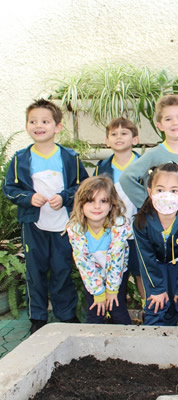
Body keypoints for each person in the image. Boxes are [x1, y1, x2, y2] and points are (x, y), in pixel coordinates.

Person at [3, 99, 88, 334]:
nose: (38, 126)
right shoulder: (21, 159)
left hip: (63, 224)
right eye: (33, 121)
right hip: (33, 224)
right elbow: (9, 189)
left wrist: (64, 197)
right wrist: (28, 198)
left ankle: (66, 314)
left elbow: (83, 186)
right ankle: (38, 317)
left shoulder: (70, 157)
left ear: (57, 126)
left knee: (62, 268)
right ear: (27, 125)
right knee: (35, 270)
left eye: (44, 121)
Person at [133, 162, 178, 326]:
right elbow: (146, 259)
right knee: (157, 306)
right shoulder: (141, 222)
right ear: (150, 192)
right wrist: (156, 288)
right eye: (160, 190)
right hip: (156, 271)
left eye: (174, 190)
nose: (166, 195)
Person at [119, 94, 178, 210]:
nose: (175, 122)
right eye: (168, 119)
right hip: (159, 221)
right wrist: (148, 205)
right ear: (160, 125)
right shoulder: (153, 155)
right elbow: (126, 178)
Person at [66, 176, 132, 325]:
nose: (97, 206)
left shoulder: (119, 226)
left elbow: (117, 260)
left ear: (111, 205)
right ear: (81, 204)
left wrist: (112, 290)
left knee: (116, 308)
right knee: (96, 310)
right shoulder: (75, 230)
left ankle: (128, 343)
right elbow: (84, 263)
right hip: (92, 275)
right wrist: (98, 292)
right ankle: (92, 345)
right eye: (90, 201)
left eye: (103, 201)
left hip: (117, 272)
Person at [94, 117, 144, 307]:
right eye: (113, 134)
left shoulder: (145, 165)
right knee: (115, 273)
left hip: (140, 230)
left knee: (141, 272)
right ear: (107, 141)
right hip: (112, 232)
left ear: (135, 139)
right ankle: (116, 311)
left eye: (124, 133)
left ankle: (150, 311)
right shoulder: (102, 167)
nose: (118, 137)